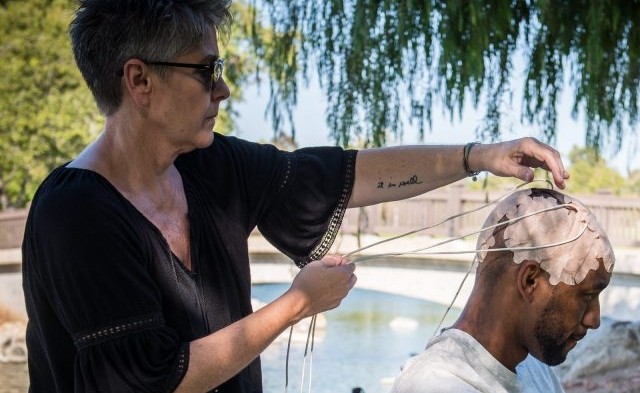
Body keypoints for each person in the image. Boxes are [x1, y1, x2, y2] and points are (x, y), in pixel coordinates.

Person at [20, 1, 569, 392]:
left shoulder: (209, 166)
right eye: (206, 70)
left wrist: (478, 156)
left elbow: (342, 175)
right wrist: (296, 304)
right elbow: (154, 377)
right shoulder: (75, 214)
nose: (223, 88)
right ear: (139, 81)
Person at [391, 188, 615, 393]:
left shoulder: (533, 367)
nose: (594, 320)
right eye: (587, 296)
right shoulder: (434, 385)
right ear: (530, 281)